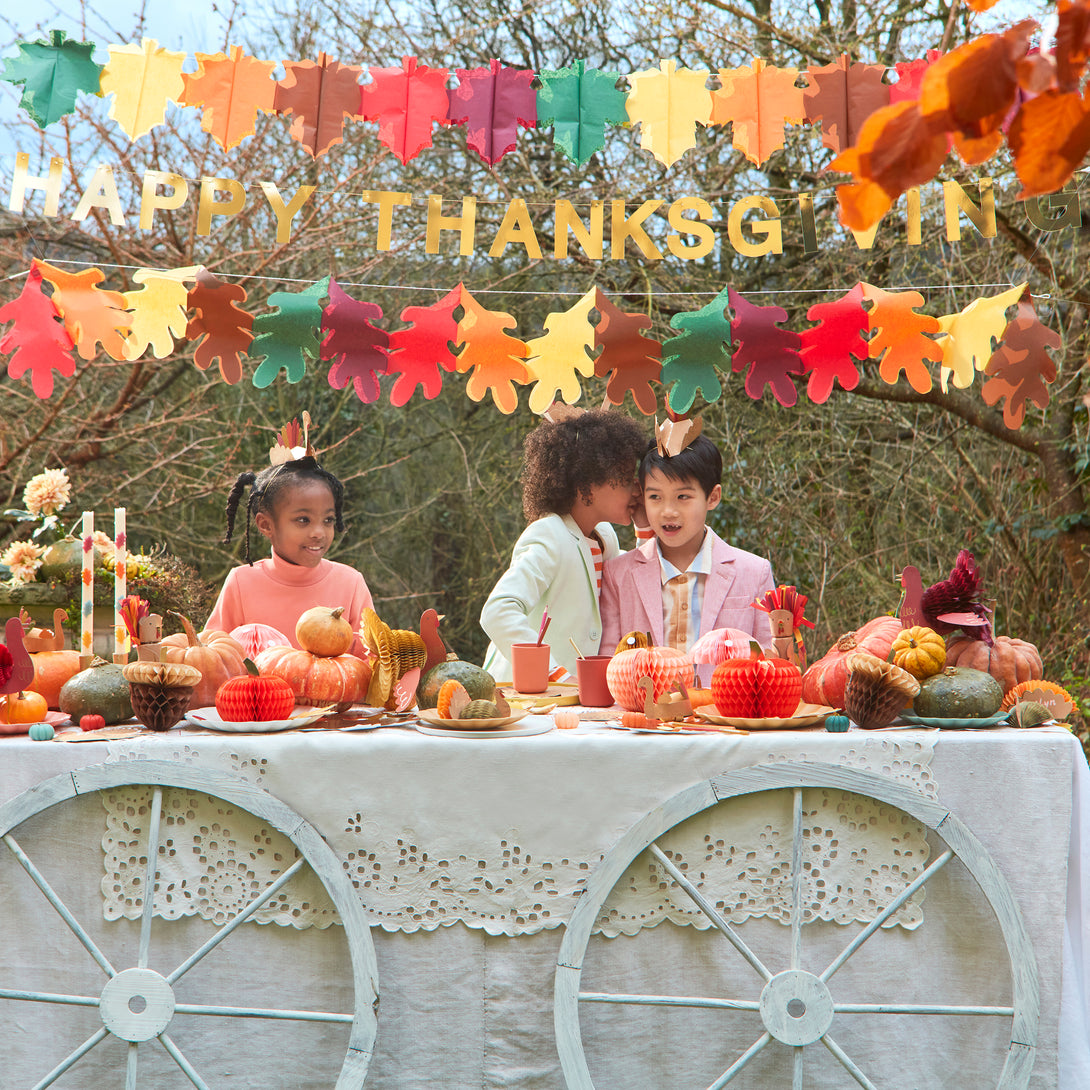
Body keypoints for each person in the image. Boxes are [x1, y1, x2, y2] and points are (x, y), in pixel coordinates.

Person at [480, 407, 648, 682]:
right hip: (518, 696)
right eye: (626, 478)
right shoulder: (549, 534)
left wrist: (644, 527)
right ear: (587, 485)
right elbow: (498, 610)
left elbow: (637, 582)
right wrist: (554, 674)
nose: (637, 489)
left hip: (564, 704)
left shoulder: (604, 536)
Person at [598, 424, 774, 660]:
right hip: (643, 698)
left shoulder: (753, 572)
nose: (668, 511)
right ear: (641, 496)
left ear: (712, 497)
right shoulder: (618, 575)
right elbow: (609, 664)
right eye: (655, 497)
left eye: (683, 497)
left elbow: (772, 664)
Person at [205, 420, 373, 649]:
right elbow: (213, 659)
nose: (318, 533)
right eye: (303, 520)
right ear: (266, 525)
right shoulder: (241, 583)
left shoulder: (350, 584)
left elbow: (372, 667)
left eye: (328, 520)